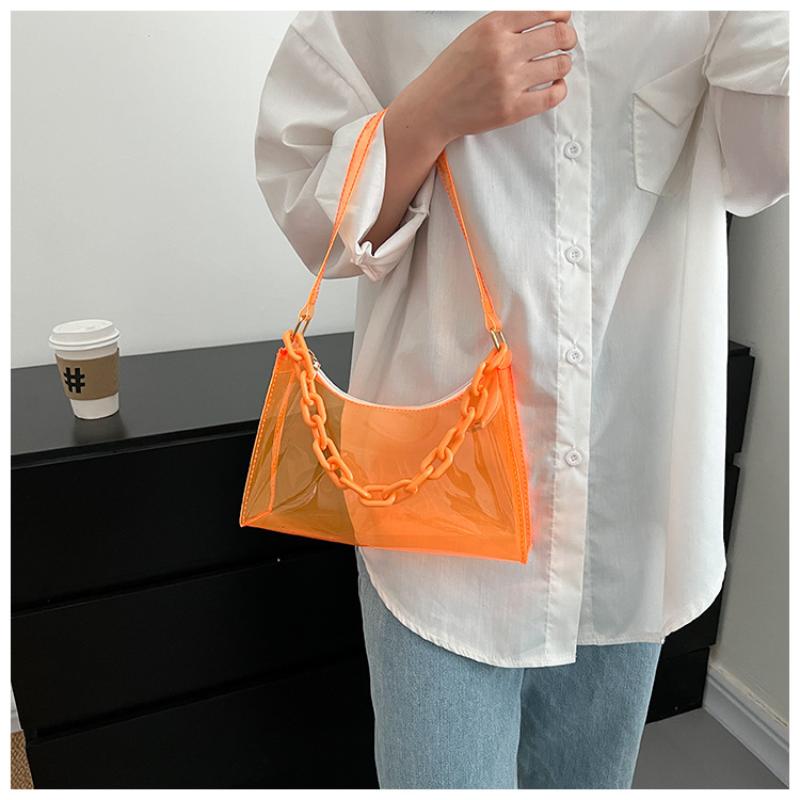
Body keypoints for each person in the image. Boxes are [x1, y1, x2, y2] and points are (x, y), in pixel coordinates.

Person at [254, 10, 789, 789]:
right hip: (436, 530)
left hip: (626, 505)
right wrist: (430, 110)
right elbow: (314, 219)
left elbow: (761, 174)